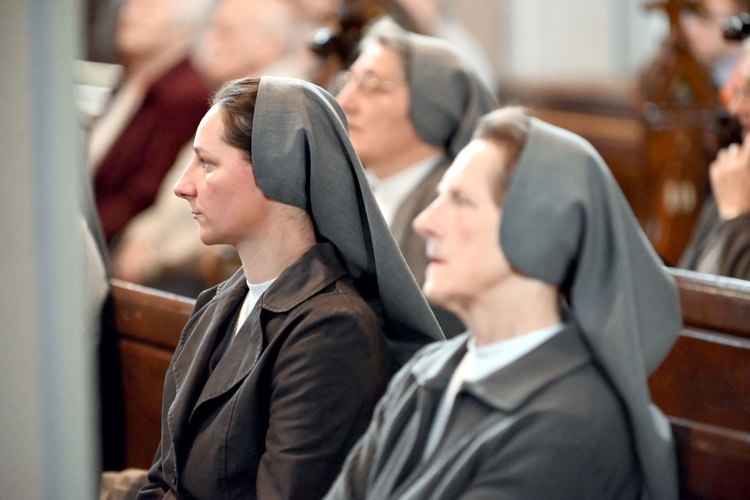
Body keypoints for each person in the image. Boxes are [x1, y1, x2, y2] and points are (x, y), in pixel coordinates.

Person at [325, 107, 682, 499]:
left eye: (459, 201)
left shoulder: (569, 421)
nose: (425, 221)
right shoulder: (427, 370)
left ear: (536, 230)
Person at [136, 76, 444, 499]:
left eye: (207, 163)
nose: (182, 185)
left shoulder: (331, 331)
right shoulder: (219, 302)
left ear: (275, 170)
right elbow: (163, 478)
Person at [110, 0, 313, 296]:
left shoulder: (276, 109)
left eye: (226, 31)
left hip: (207, 271)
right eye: (212, 28)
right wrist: (144, 237)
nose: (209, 41)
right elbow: (181, 184)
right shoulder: (231, 97)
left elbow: (239, 207)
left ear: (269, 44)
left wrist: (154, 255)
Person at [335, 16, 497, 336]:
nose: (344, 103)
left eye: (371, 85)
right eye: (349, 81)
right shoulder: (360, 188)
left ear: (431, 106)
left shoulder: (452, 206)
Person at [88, 0, 214, 244]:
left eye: (150, 5)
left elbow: (143, 195)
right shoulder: (134, 77)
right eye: (132, 3)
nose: (132, 12)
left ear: (185, 29)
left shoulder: (185, 96)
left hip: (117, 241)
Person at [679, 49, 750, 280]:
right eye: (740, 90)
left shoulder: (736, 188)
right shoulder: (737, 172)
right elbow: (688, 286)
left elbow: (739, 312)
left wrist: (736, 216)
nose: (736, 108)